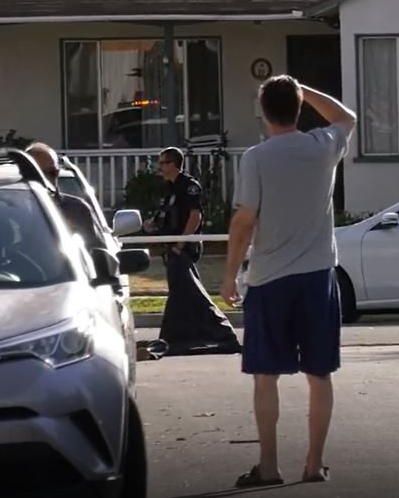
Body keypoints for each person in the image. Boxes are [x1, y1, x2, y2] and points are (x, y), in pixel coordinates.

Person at [220, 75, 355, 488]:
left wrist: (229, 275)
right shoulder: (321, 147)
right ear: (298, 107)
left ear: (263, 111)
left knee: (266, 375)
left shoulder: (257, 158)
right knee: (320, 374)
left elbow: (245, 221)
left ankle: (269, 465)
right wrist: (305, 90)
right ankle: (314, 464)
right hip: (317, 276)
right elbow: (345, 117)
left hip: (270, 278)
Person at [152, 147, 241, 356]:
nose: (160, 167)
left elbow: (195, 218)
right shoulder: (169, 188)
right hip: (170, 247)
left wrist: (180, 245)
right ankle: (172, 338)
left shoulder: (189, 186)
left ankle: (224, 334)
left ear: (174, 164)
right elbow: (168, 215)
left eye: (164, 163)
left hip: (183, 247)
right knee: (179, 293)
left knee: (193, 292)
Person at [24, 143, 104, 249]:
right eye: (39, 175)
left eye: (52, 173)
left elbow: (98, 254)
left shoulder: (78, 209)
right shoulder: (10, 211)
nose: (46, 180)